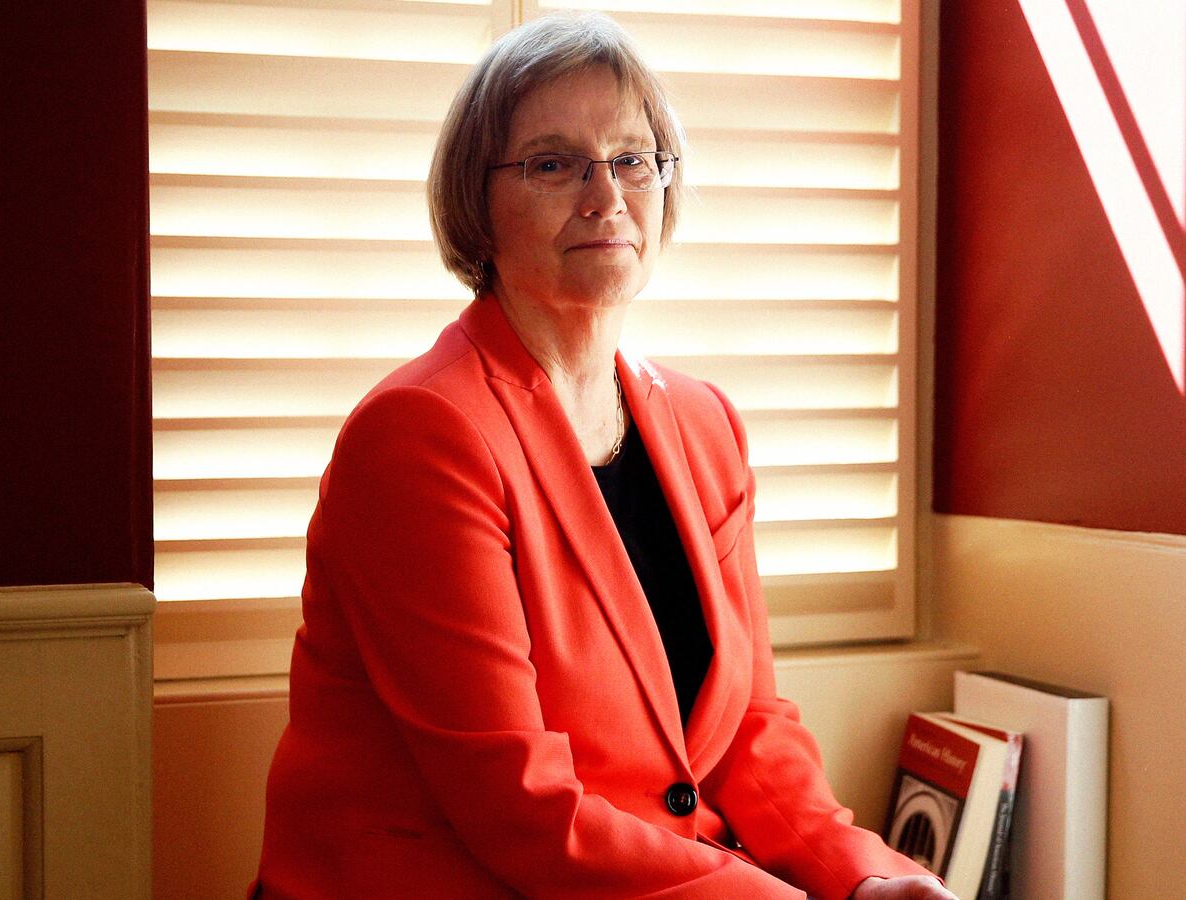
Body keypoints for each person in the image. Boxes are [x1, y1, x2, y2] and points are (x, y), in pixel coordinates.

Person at [252, 13, 956, 900]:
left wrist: (861, 879)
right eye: (553, 163)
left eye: (633, 159)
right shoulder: (421, 435)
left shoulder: (706, 425)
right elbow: (520, 808)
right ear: (478, 202)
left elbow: (747, 730)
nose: (606, 194)